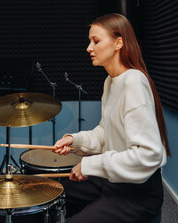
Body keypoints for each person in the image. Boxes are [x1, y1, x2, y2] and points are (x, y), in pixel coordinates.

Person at [53, 13, 171, 223]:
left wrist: (90, 166)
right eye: (90, 41)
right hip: (114, 179)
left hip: (138, 193)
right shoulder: (111, 81)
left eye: (96, 41)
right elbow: (106, 132)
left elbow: (148, 155)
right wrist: (75, 141)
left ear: (118, 43)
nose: (89, 48)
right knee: (52, 191)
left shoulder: (133, 82)